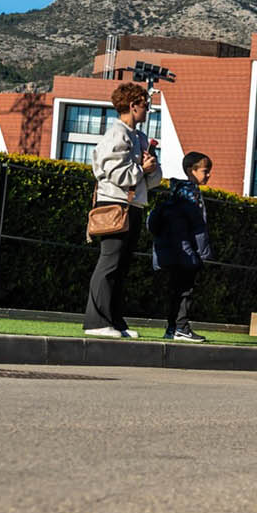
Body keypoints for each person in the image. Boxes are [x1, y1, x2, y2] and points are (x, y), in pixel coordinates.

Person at [84, 81, 163, 338]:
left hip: (133, 204)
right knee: (110, 262)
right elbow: (115, 173)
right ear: (132, 105)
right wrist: (143, 169)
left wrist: (150, 168)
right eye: (145, 105)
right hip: (114, 204)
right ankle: (97, 322)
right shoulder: (117, 134)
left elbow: (151, 179)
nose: (147, 109)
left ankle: (115, 321)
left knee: (121, 266)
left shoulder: (138, 137)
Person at [147, 151, 213, 342]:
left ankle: (172, 328)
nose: (208, 175)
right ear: (191, 170)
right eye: (205, 171)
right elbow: (198, 227)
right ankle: (182, 327)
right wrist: (204, 253)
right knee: (185, 290)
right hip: (187, 252)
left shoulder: (175, 195)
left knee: (176, 290)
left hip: (172, 250)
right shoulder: (192, 197)